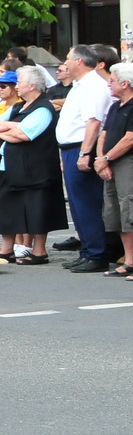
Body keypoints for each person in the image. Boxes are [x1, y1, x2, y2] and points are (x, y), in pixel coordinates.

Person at [0, 66, 69, 266]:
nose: (16, 85)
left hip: (36, 168)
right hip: (10, 165)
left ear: (32, 85)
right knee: (8, 206)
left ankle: (39, 251)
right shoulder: (19, 107)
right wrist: (13, 128)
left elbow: (25, 135)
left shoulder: (43, 108)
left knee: (37, 208)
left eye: (19, 82)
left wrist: (10, 130)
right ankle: (6, 249)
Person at [56, 45, 114, 273]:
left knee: (87, 203)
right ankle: (87, 250)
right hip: (70, 148)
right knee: (78, 205)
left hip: (81, 147)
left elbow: (94, 122)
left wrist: (85, 153)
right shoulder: (81, 86)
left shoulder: (94, 86)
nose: (65, 63)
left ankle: (97, 253)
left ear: (79, 61)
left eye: (68, 58)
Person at [94, 63, 133, 278]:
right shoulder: (115, 106)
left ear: (125, 83)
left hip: (127, 163)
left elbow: (130, 138)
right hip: (109, 162)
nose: (109, 83)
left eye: (113, 80)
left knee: (130, 210)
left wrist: (106, 158)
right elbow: (104, 133)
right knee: (117, 212)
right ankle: (129, 261)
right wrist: (101, 159)